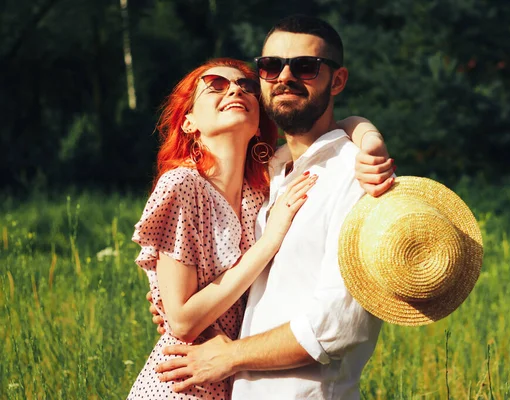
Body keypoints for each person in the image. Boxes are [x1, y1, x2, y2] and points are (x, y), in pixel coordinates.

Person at [153, 15, 393, 400]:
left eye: (304, 66)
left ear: (338, 80)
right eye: (269, 66)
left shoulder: (355, 175)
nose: (284, 76)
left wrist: (230, 356)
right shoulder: (272, 175)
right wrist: (181, 310)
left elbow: (339, 324)